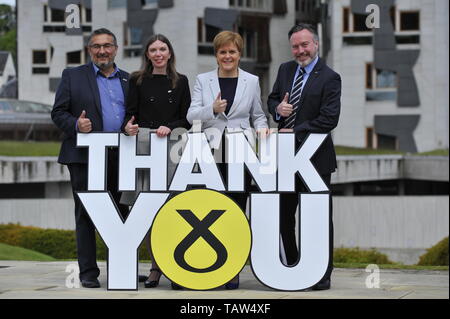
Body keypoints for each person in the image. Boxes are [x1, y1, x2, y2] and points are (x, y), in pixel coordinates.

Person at [186, 30, 269, 290]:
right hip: (211, 151)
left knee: (237, 208)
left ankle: (233, 268)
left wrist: (263, 127)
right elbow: (191, 116)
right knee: (213, 210)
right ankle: (213, 263)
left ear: (239, 54)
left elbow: (258, 114)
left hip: (241, 152)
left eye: (232, 51)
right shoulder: (203, 79)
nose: (227, 56)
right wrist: (212, 109)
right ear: (216, 55)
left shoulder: (252, 81)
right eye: (223, 52)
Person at [51, 28, 130, 288]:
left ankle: (120, 268)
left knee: (121, 214)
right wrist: (76, 124)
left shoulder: (129, 80)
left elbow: (134, 116)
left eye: (107, 46)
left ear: (116, 49)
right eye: (96, 46)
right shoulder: (73, 76)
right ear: (89, 50)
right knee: (86, 214)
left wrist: (131, 127)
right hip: (83, 157)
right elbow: (58, 113)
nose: (102, 51)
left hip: (120, 156)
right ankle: (88, 273)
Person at [267, 23, 341, 290]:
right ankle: (293, 266)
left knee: (318, 219)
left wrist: (292, 131)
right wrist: (278, 109)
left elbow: (328, 119)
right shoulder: (285, 69)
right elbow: (273, 99)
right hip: (285, 159)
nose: (300, 51)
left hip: (315, 160)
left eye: (305, 45)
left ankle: (322, 273)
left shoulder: (330, 77)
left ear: (316, 44)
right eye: (296, 46)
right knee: (283, 215)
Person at [122, 34, 191, 290]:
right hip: (143, 147)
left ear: (170, 53)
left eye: (163, 49)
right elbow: (130, 113)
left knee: (172, 210)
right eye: (153, 49)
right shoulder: (137, 80)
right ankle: (155, 268)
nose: (159, 53)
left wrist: (168, 127)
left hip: (173, 147)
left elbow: (187, 118)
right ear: (148, 54)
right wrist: (127, 126)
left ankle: (175, 266)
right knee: (147, 211)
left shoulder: (181, 81)